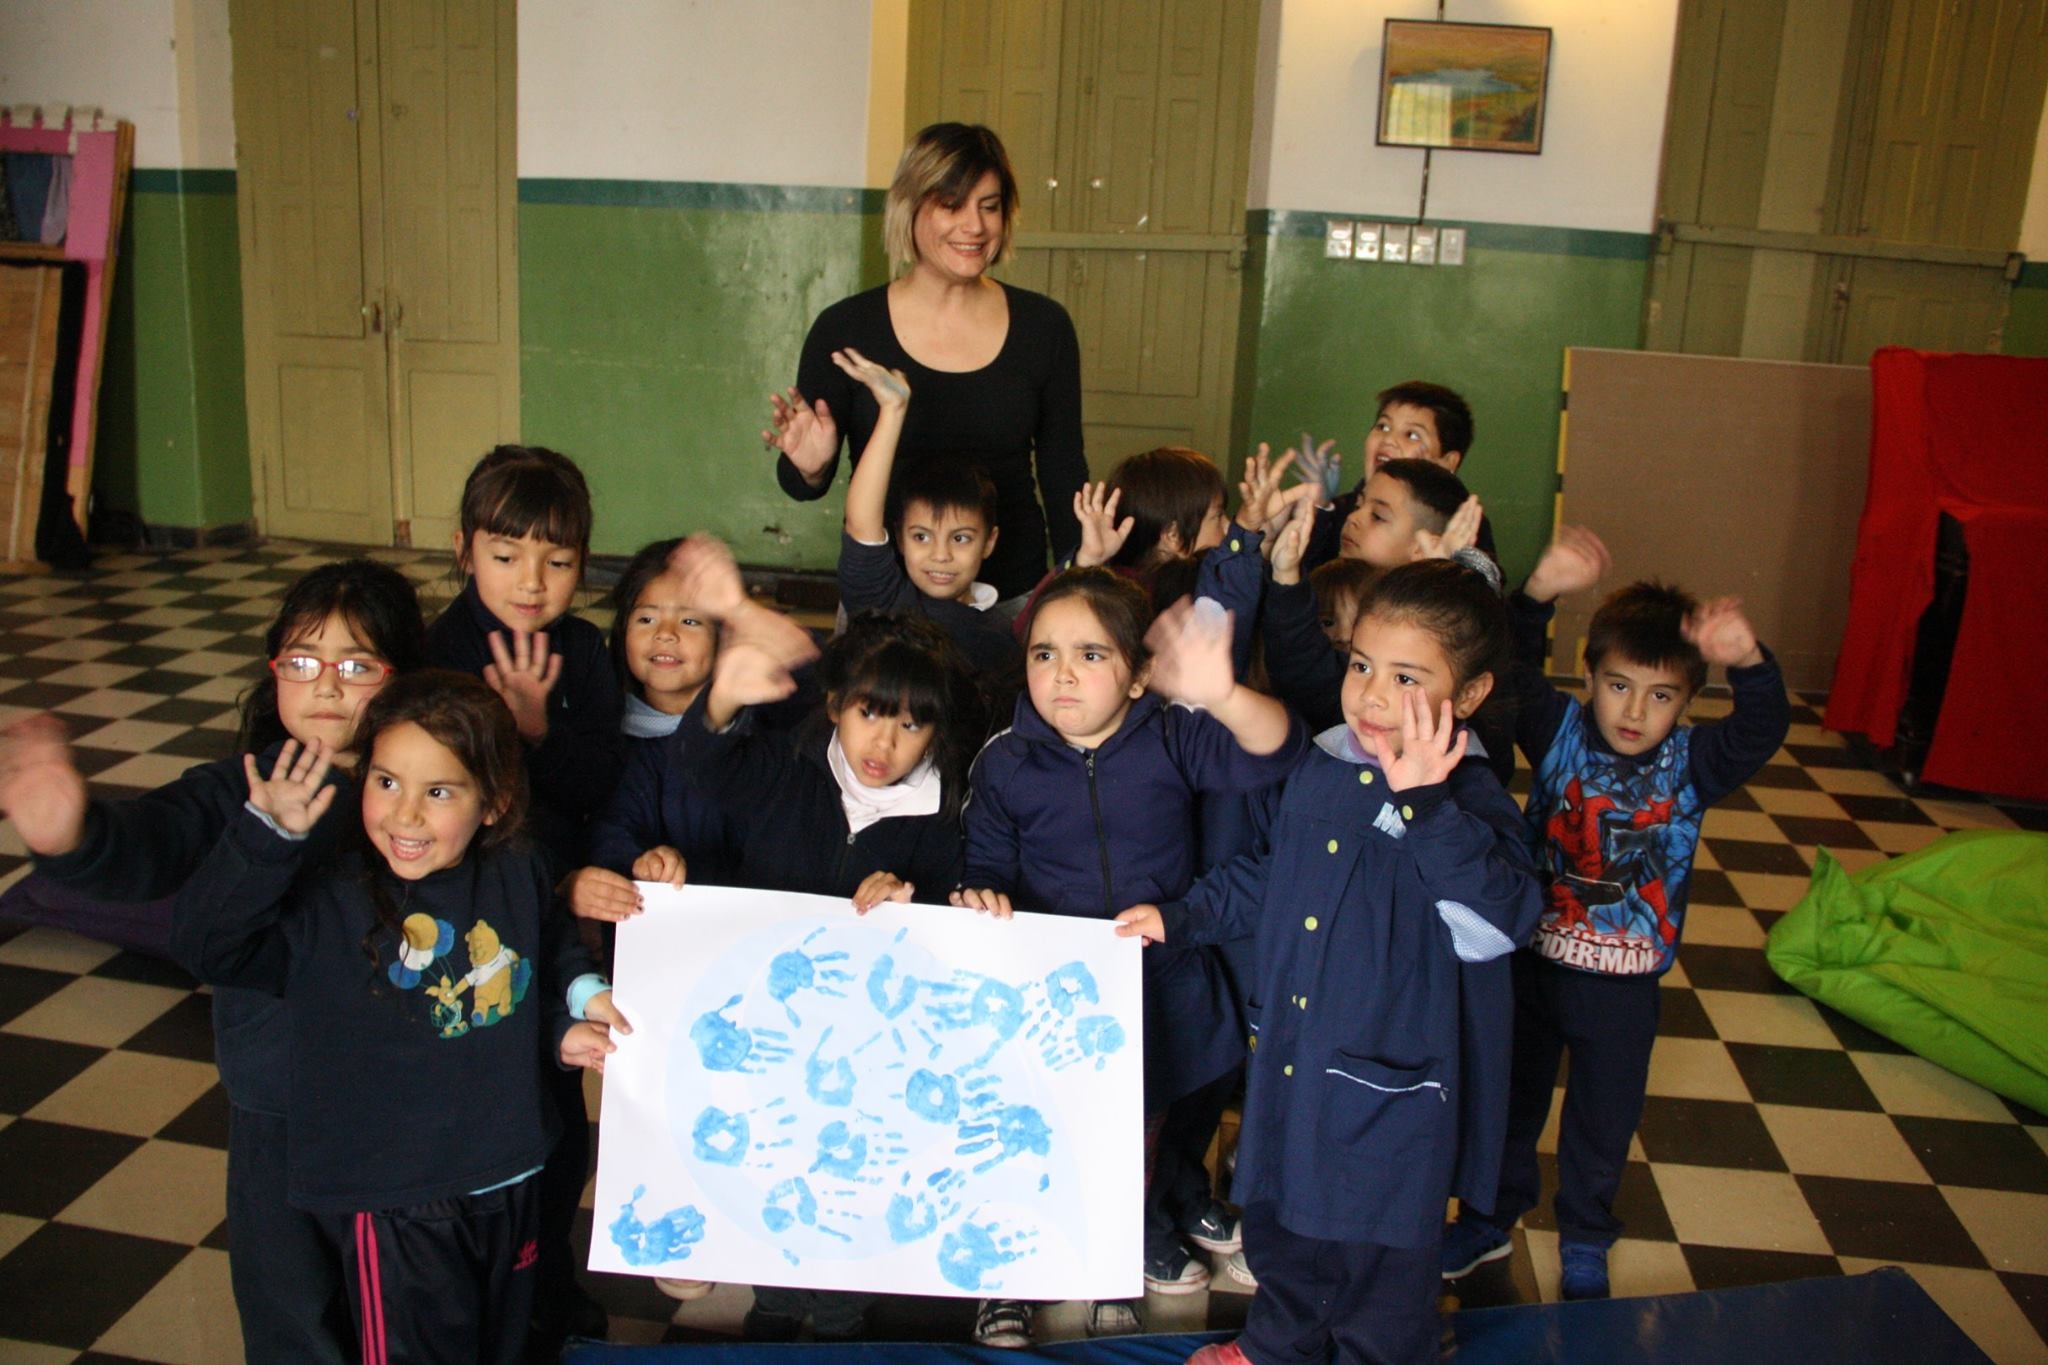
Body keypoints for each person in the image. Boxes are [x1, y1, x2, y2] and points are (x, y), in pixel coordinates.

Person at [1115, 559, 1543, 1365]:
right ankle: (1278, 1346)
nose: (1372, 695)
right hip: (1295, 1062)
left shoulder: (1470, 797)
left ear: (1472, 694)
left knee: (1381, 1268)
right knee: (1282, 1227)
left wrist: (1422, 803)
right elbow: (1273, 871)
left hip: (1395, 1095)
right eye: (1360, 664)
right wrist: (1182, 916)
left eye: (1407, 676)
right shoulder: (1326, 761)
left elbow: (1499, 924)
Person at [0, 559, 425, 1365]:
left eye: (356, 665)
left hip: (395, 1102)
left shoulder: (426, 796)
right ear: (274, 676)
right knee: (288, 1302)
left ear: (400, 676)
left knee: (398, 1302)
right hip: (275, 1103)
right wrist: (75, 837)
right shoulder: (240, 788)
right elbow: (150, 842)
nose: (326, 686)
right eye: (302, 662)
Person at [165, 669, 626, 1365]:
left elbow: (537, 959)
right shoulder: (332, 900)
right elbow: (207, 945)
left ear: (495, 801)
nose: (404, 815)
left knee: (504, 1343)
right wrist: (265, 836)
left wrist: (572, 1014)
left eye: (438, 791)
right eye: (386, 782)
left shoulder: (519, 868)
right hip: (397, 1198)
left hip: (507, 1171)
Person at [954, 568, 1304, 1345]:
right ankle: (1005, 1276)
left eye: (1090, 653)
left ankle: (1109, 1263)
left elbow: (1275, 748)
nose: (1063, 674)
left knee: (1133, 1135)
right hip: (1044, 994)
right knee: (1025, 1130)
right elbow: (983, 860)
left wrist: (1218, 693)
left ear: (1141, 673)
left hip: (1154, 980)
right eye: (1044, 654)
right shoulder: (1006, 760)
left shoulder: (1174, 735)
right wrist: (980, 893)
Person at [1440, 527, 1790, 1300]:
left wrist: (1751, 662)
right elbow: (1505, 667)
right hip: (1534, 963)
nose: (1635, 710)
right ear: (1590, 676)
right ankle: (1488, 1219)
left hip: (1623, 989)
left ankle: (1588, 1235)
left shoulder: (1691, 764)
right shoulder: (1560, 730)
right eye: (1619, 684)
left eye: (1661, 694)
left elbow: (1764, 729)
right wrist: (1536, 593)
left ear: (1688, 701)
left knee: (1603, 1122)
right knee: (1510, 1104)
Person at [664, 533, 982, 1342]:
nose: (884, 743)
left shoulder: (942, 816)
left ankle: (840, 1311)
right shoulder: (788, 766)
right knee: (777, 1162)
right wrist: (723, 701)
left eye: (912, 726)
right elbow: (703, 766)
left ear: (938, 734)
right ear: (837, 702)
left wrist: (913, 908)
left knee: (852, 1176)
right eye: (871, 712)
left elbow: (952, 921)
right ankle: (773, 1302)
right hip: (776, 1029)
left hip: (869, 1047)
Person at [423, 442, 621, 1345]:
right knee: (471, 1091)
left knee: (555, 1097)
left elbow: (593, 785)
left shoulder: (583, 650)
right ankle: (466, 1275)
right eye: (506, 557)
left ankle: (551, 1275)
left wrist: (538, 727)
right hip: (467, 919)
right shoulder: (441, 651)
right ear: (465, 551)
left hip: (554, 910)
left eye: (558, 560)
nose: (531, 582)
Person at [766, 122, 1086, 603]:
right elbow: (801, 485)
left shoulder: (1044, 326)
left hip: (1011, 597)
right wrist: (812, 467)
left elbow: (1063, 472)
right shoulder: (847, 329)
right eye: (951, 205)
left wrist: (1075, 587)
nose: (974, 227)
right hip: (886, 596)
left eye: (990, 206)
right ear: (909, 208)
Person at [831, 345, 1021, 680]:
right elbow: (861, 523)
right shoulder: (886, 603)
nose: (940, 555)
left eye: (960, 538)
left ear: (989, 542)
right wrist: (892, 411)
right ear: (900, 539)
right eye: (921, 536)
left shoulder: (1002, 635)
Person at [1299, 380, 1495, 571]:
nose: (1389, 439)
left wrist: (1440, 571)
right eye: (1382, 426)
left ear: (1446, 462)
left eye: (1412, 435)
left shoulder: (1463, 526)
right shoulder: (1343, 510)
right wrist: (1320, 511)